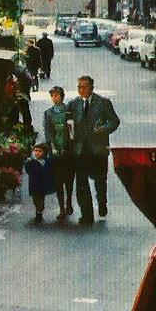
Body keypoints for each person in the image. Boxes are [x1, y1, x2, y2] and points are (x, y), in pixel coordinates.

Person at [69, 75, 120, 225]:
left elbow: (114, 121)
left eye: (84, 87)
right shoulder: (73, 104)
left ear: (92, 88)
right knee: (81, 183)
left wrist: (103, 129)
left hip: (98, 149)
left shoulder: (103, 103)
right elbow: (69, 123)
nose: (81, 90)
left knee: (99, 180)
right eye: (79, 87)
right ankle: (87, 215)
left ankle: (102, 203)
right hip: (80, 150)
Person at [42, 86, 75, 219]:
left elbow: (72, 129)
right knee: (58, 181)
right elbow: (48, 131)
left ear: (62, 96)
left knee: (69, 179)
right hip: (55, 150)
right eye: (53, 96)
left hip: (68, 149)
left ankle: (69, 203)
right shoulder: (48, 113)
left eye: (57, 95)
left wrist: (72, 143)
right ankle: (62, 208)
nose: (55, 98)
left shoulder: (68, 111)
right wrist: (52, 146)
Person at [23, 143, 56, 224]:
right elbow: (28, 170)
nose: (37, 153)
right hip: (34, 184)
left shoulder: (47, 162)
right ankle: (38, 211)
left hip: (43, 184)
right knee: (35, 199)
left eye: (40, 151)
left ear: (44, 152)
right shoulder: (31, 162)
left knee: (41, 199)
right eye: (35, 151)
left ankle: (39, 212)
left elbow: (50, 171)